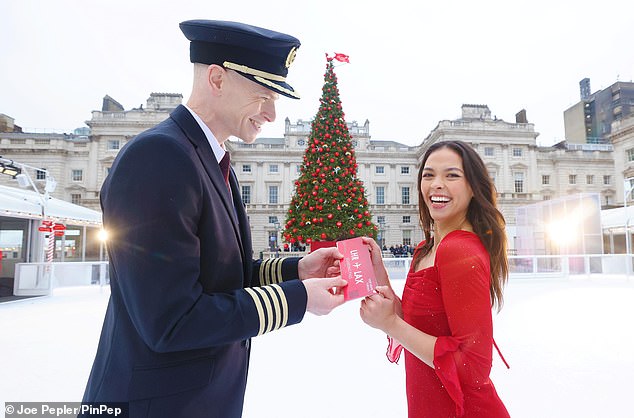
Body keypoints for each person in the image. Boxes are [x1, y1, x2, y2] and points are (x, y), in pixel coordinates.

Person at [81, 20, 347, 418]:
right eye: (263, 95)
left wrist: (298, 270)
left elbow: (220, 275)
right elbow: (173, 320)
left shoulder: (210, 158)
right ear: (217, 78)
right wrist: (298, 299)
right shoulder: (159, 157)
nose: (272, 114)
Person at [359, 140, 510, 417]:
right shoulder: (425, 248)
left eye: (451, 175)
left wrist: (390, 323)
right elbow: (421, 326)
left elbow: (473, 368)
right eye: (428, 175)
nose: (436, 184)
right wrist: (377, 271)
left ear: (473, 188)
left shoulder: (458, 250)